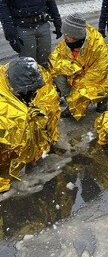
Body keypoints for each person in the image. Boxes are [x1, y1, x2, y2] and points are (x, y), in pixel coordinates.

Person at [0, 57, 60, 192]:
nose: (29, 93)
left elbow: (51, 106)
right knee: (18, 125)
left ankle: (32, 154)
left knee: (34, 118)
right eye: (25, 90)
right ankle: (17, 160)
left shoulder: (39, 77)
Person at [48, 13, 108, 120]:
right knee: (57, 75)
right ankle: (71, 104)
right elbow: (54, 60)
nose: (64, 37)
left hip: (99, 78)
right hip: (76, 74)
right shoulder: (66, 43)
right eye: (64, 33)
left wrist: (76, 83)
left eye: (68, 34)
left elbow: (98, 74)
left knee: (95, 89)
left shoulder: (98, 47)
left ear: (77, 35)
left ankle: (102, 100)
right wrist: (74, 68)